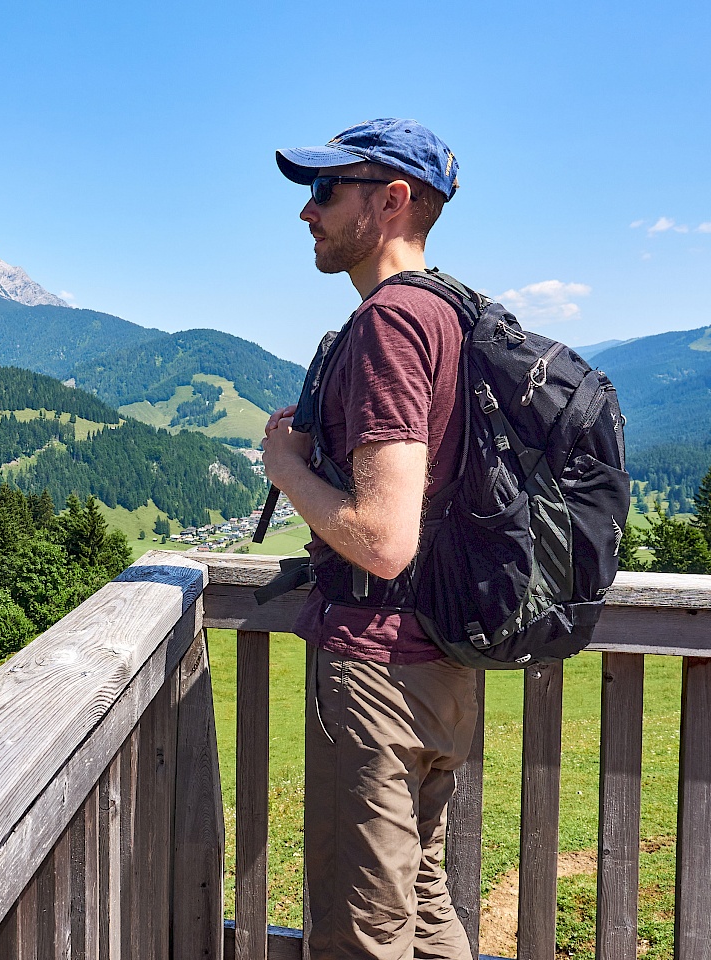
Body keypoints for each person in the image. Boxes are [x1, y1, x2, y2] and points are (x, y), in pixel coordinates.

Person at [260, 118, 478, 960]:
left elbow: (384, 540)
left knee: (361, 935)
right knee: (422, 910)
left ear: (391, 202)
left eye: (324, 191)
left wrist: (287, 467)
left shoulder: (389, 325)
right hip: (439, 660)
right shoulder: (447, 313)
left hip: (378, 669)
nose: (306, 213)